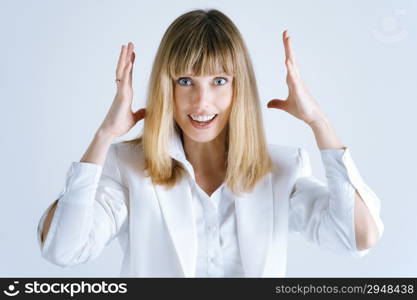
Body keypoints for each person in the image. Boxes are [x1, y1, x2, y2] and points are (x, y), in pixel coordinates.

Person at [37, 9, 384, 277]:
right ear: (166, 86)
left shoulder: (281, 169)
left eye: (219, 80)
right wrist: (104, 136)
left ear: (238, 88)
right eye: (186, 80)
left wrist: (318, 122)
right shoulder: (127, 165)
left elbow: (357, 238)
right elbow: (64, 251)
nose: (202, 102)